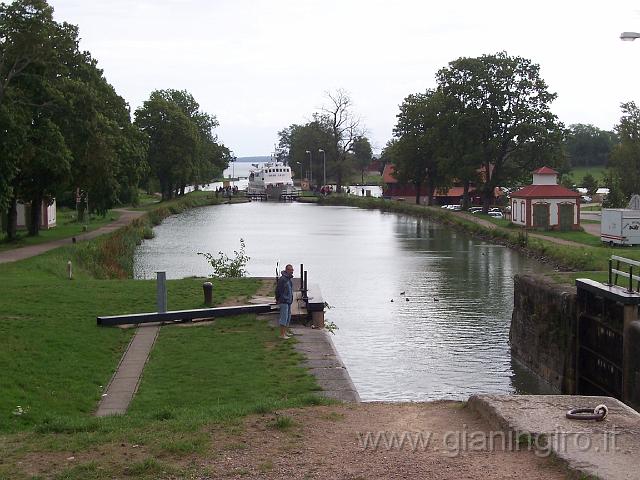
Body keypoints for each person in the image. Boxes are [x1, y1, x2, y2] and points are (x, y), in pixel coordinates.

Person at [275, 264, 294, 339]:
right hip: (284, 301)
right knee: (284, 318)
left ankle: (285, 332)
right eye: (291, 270)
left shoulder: (288, 279)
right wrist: (278, 299)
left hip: (288, 301)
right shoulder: (282, 279)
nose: (292, 271)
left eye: (292, 269)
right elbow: (277, 290)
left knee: (288, 317)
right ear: (287, 270)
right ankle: (282, 334)